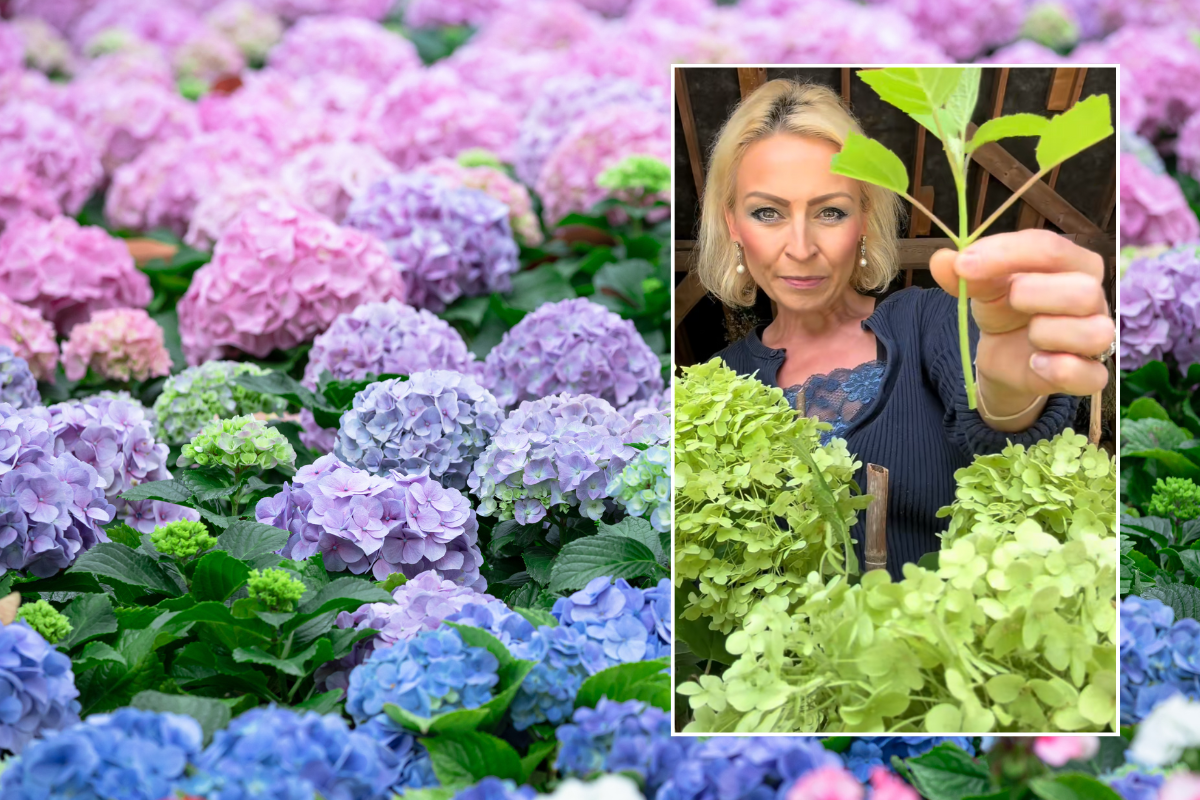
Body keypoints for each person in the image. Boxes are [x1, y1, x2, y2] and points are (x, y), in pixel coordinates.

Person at [695, 79, 1114, 577]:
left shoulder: (929, 319)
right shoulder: (712, 386)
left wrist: (1011, 389)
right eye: (768, 213)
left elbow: (999, 416)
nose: (801, 247)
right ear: (733, 224)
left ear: (865, 219)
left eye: (831, 211)